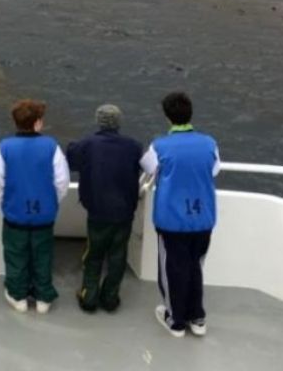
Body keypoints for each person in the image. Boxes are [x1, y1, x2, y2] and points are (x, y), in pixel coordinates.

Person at [140, 91, 220, 338]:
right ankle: (197, 317)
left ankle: (175, 320)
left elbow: (148, 168)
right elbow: (215, 170)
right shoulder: (209, 143)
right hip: (203, 218)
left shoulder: (160, 146)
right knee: (196, 267)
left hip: (172, 220)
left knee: (173, 269)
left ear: (167, 117)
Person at [0, 99, 69, 314]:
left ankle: (18, 296)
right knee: (43, 256)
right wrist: (51, 204)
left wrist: (7, 204)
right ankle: (44, 298)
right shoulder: (52, 146)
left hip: (15, 215)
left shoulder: (3, 148)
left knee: (16, 256)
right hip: (44, 215)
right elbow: (61, 183)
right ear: (38, 123)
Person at [66, 103, 143, 313]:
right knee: (118, 256)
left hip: (98, 211)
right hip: (125, 212)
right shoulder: (134, 146)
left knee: (94, 255)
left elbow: (71, 160)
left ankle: (89, 297)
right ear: (119, 123)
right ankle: (110, 298)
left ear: (98, 121)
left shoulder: (86, 145)